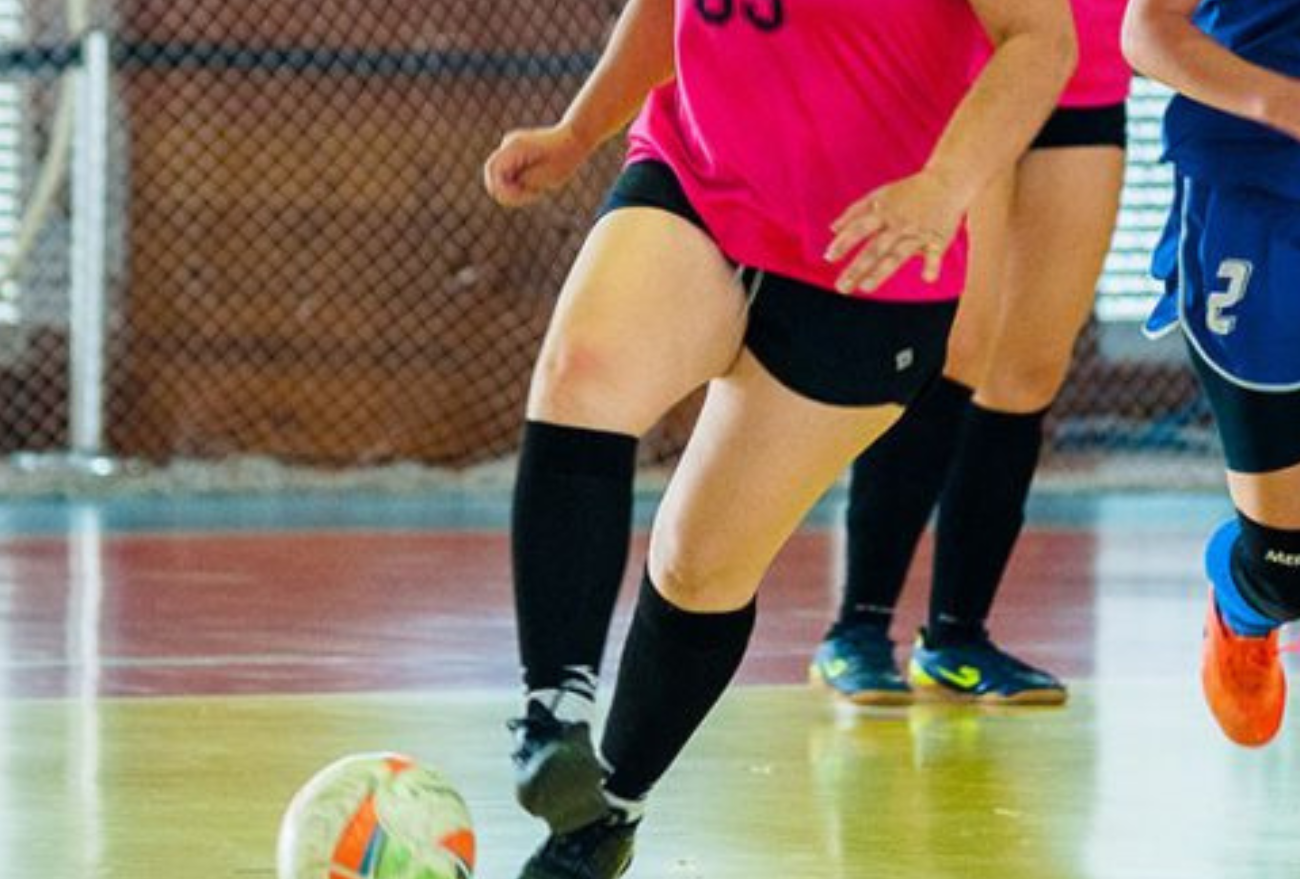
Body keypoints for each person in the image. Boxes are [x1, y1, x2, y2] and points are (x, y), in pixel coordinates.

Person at [482, 1, 1076, 876]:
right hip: (700, 176)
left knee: (700, 564)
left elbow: (1043, 40)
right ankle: (551, 713)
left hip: (867, 250)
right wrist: (579, 132)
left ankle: (605, 816)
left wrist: (945, 185)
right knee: (585, 366)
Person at [810, 0, 1132, 707]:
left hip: (1090, 71)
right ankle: (856, 628)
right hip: (969, 73)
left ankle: (957, 637)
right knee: (954, 350)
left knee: (1030, 369)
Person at [1121, 0, 1300, 747]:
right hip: (1254, 195)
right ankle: (1242, 602)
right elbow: (1148, 30)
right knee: (1287, 565)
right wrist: (1281, 101)